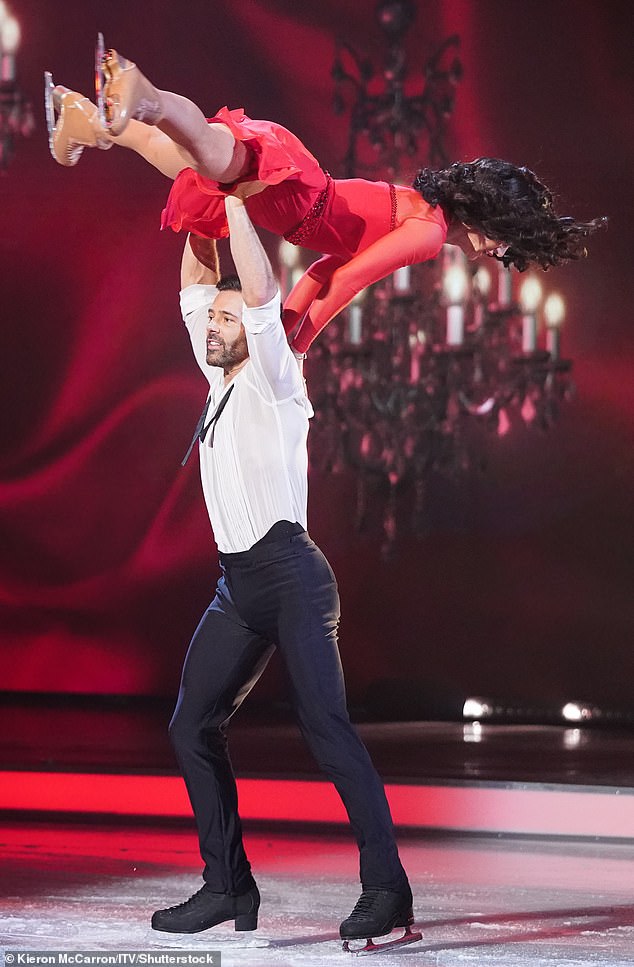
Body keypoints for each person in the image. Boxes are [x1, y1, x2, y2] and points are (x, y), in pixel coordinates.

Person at [147, 193, 421, 952]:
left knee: (325, 727)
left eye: (227, 319)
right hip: (238, 585)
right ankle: (229, 884)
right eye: (214, 320)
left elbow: (256, 291)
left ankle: (386, 888)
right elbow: (193, 286)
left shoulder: (273, 373)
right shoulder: (216, 378)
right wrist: (194, 208)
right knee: (190, 724)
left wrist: (232, 190)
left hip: (293, 574)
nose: (215, 324)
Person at [45, 42, 606, 356]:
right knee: (204, 146)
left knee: (186, 156)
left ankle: (82, 117)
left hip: (299, 203)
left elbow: (324, 268)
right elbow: (350, 280)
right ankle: (144, 92)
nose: (496, 255)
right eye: (506, 244)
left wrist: (288, 323)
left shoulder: (419, 209)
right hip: (298, 198)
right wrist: (300, 344)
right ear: (494, 219)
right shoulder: (430, 235)